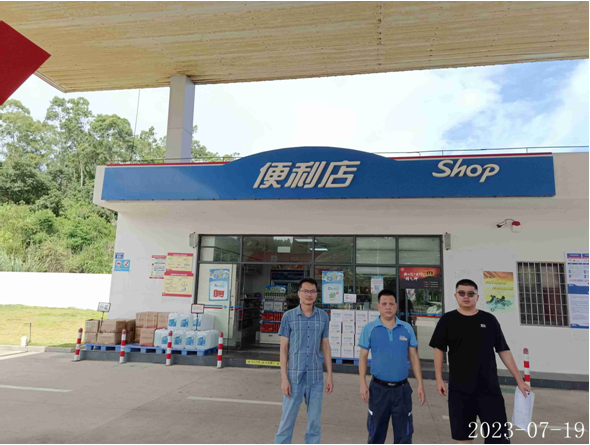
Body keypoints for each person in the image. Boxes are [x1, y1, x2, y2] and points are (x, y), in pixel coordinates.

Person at [429, 279, 531, 444]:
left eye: (471, 293)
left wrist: (519, 380)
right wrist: (439, 378)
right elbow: (439, 350)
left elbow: (503, 350)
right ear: (456, 296)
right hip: (460, 391)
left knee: (498, 438)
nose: (466, 297)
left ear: (477, 297)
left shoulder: (489, 320)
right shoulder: (448, 320)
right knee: (464, 438)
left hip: (489, 389)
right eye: (462, 293)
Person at [358, 289, 426, 444]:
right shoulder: (369, 328)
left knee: (404, 436)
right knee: (376, 434)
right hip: (378, 390)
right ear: (378, 306)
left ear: (396, 306)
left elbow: (414, 357)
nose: (388, 307)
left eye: (391, 304)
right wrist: (362, 383)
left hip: (402, 390)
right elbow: (362, 357)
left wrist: (420, 385)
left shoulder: (406, 328)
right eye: (384, 304)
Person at [274, 277, 333, 444]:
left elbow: (325, 345)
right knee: (287, 420)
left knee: (314, 422)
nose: (309, 294)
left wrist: (329, 375)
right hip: (294, 377)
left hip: (315, 378)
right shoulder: (289, 316)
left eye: (312, 291)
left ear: (317, 294)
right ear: (299, 293)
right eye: (305, 291)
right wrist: (284, 378)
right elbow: (283, 348)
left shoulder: (323, 316)